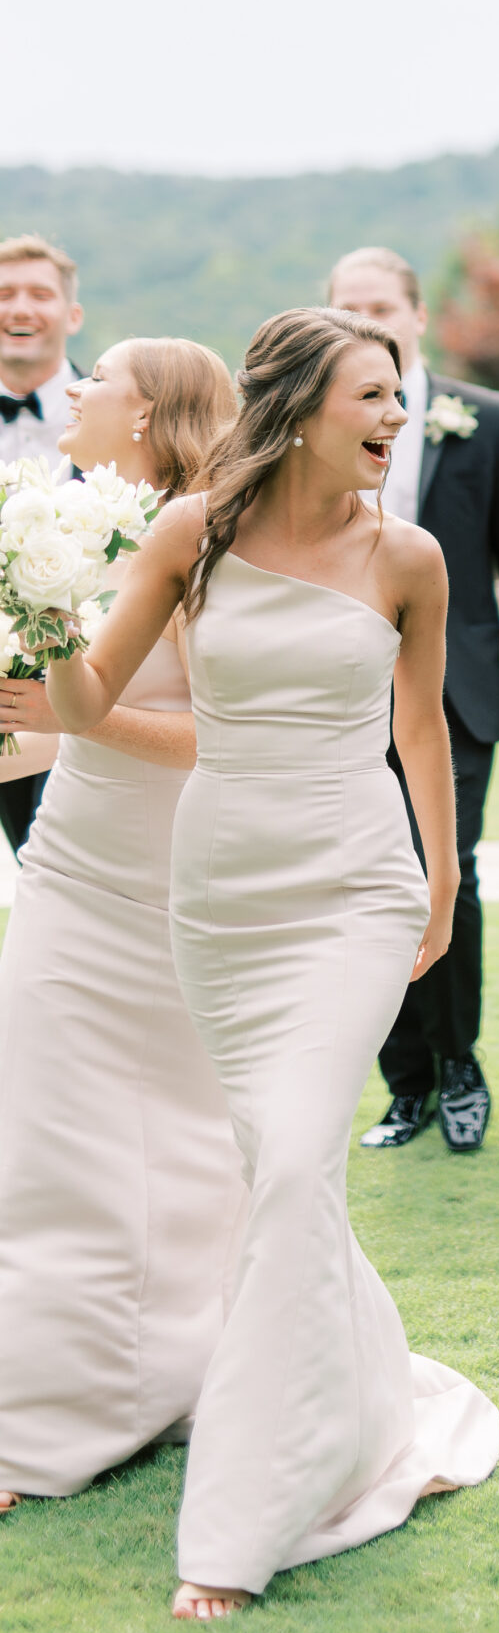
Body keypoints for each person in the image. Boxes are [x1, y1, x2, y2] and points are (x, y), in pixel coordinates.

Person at [46, 308, 499, 1617]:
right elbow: (91, 703)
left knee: (298, 1160)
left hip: (354, 891)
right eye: (374, 396)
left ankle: (238, 1531)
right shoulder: (194, 537)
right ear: (301, 406)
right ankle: (358, 1402)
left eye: (401, 399)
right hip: (224, 903)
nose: (395, 420)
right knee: (280, 1177)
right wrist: (36, 632)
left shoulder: (407, 557)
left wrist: (444, 877)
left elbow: (420, 728)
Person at [0, 339, 246, 1518]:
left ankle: (162, 1375)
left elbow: (223, 735)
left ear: (144, 414)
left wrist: (73, 712)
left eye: (95, 379)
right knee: (48, 1138)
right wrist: (35, 722)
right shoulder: (80, 535)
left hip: (164, 886)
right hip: (70, 867)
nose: (76, 392)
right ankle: (49, 1399)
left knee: (182, 1146)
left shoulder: (206, 540)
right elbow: (70, 723)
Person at [328, 247, 499, 1157]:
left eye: (380, 306)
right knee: (367, 883)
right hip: (342, 691)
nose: (365, 320)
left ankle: (460, 1064)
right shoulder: (308, 421)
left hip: (459, 695)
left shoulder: (487, 420)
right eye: (347, 307)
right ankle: (405, 1083)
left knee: (442, 870)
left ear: (418, 317)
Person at [0, 233, 84, 854]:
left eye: (38, 294)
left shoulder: (122, 411)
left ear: (72, 315)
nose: (19, 309)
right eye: (4, 295)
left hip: (87, 691)